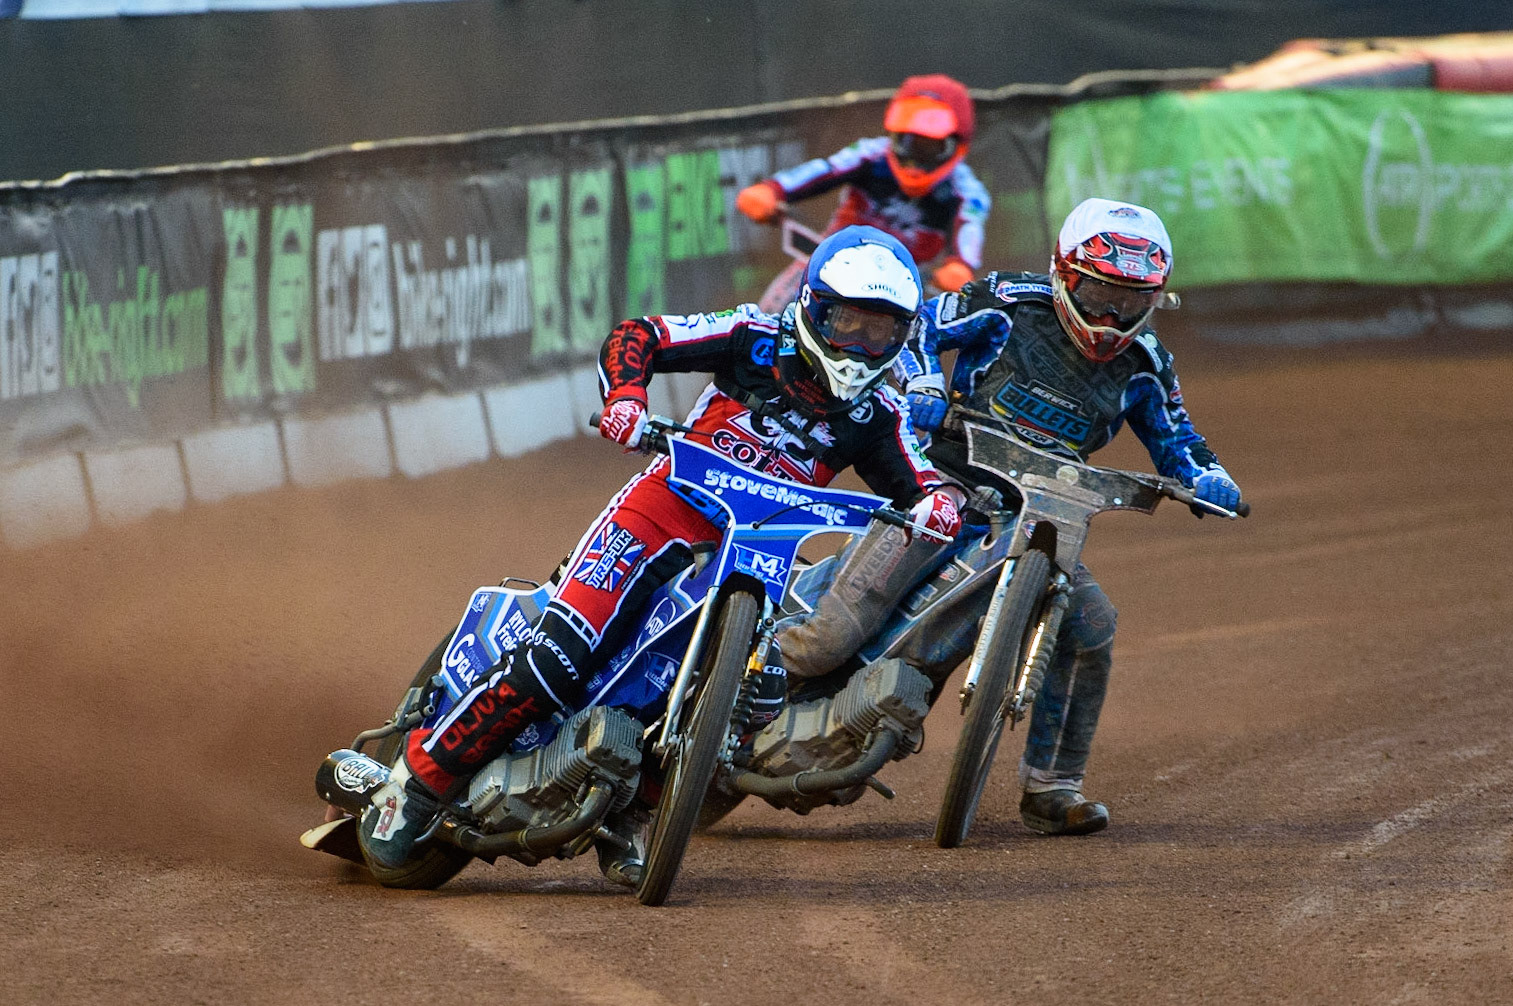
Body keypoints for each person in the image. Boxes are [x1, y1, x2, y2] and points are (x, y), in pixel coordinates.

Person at [356, 226, 966, 883]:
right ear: (814, 309)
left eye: (881, 331)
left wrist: (940, 506)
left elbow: (921, 479)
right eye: (848, 323)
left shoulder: (879, 413)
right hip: (663, 511)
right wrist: (626, 397)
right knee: (558, 658)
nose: (861, 345)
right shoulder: (754, 336)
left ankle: (630, 817)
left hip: (757, 555)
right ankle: (417, 784)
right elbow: (639, 336)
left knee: (748, 706)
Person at [776, 197, 1243, 836]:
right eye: (1100, 294)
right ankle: (746, 671)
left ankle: (1053, 787)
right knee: (833, 635)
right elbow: (917, 326)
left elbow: (1180, 440)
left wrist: (1211, 479)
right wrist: (924, 384)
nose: (1111, 317)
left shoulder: (1146, 364)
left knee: (1092, 625)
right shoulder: (1007, 302)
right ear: (1063, 273)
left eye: (1131, 301)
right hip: (946, 485)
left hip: (1045, 520)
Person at [736, 74, 990, 313]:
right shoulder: (870, 155)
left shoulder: (967, 193)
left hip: (901, 287)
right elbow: (826, 169)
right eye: (907, 144)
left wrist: (960, 265)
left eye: (930, 148)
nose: (914, 161)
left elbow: (970, 229)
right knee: (770, 318)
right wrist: (772, 190)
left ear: (957, 145)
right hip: (829, 263)